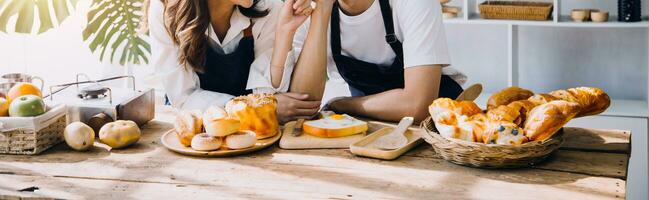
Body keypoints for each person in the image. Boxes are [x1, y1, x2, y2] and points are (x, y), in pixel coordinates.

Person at [289, 0, 467, 122]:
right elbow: (302, 106)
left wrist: (342, 104)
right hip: (369, 126)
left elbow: (417, 104)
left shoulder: (414, 3)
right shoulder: (312, 10)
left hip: (438, 130)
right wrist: (322, 11)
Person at [149, 0, 320, 123]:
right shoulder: (164, 9)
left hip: (252, 133)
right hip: (194, 129)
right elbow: (184, 98)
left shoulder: (270, 8)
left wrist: (284, 34)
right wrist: (255, 109)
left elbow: (268, 96)